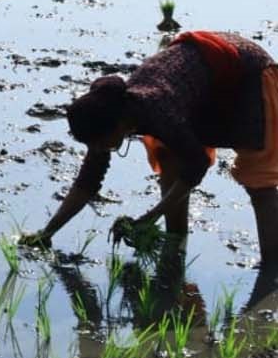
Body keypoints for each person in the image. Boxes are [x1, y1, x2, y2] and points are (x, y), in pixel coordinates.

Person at [22, 31, 278, 268]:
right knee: (168, 156)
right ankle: (175, 245)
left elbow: (197, 163)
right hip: (203, 88)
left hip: (248, 76)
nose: (98, 149)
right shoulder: (109, 113)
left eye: (99, 142)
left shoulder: (156, 108)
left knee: (260, 184)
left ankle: (271, 269)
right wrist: (47, 233)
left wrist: (149, 217)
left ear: (118, 124)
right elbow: (88, 181)